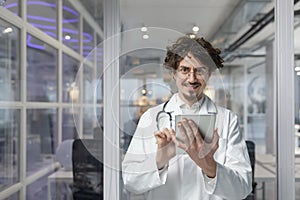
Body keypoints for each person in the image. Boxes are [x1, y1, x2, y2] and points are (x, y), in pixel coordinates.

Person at [122, 36, 252, 200]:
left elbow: (241, 189)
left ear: (209, 74)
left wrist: (209, 165)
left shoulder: (227, 120)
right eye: (185, 70)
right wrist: (161, 159)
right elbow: (130, 182)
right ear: (174, 73)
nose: (192, 79)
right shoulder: (151, 117)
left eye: (200, 70)